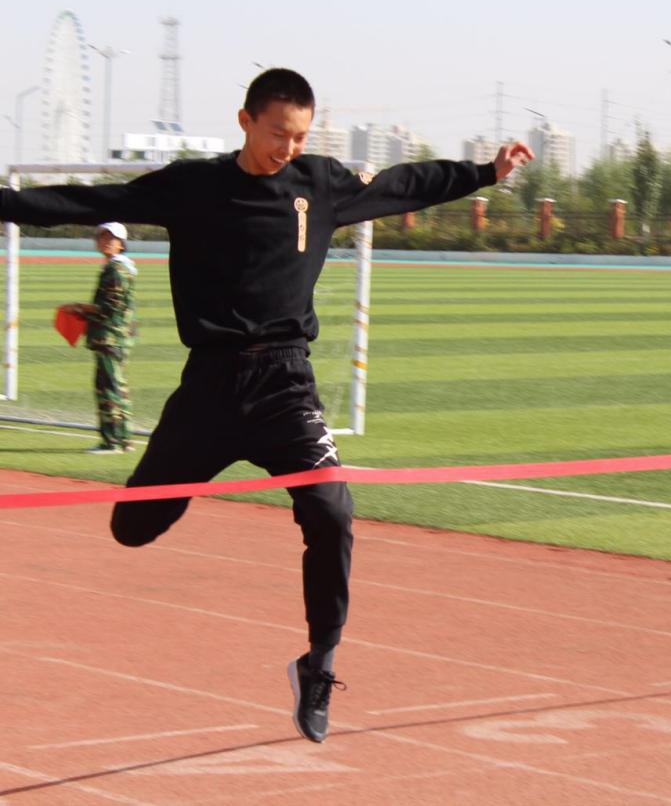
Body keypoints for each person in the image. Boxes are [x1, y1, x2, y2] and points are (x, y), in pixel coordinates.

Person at [0, 68, 534, 743]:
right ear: (246, 121)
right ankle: (192, 476)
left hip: (285, 386)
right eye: (279, 133)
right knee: (131, 530)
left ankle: (319, 664)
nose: (288, 147)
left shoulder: (320, 183)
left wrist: (484, 172)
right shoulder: (192, 185)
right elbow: (88, 200)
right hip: (209, 390)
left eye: (300, 136)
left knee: (333, 512)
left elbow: (404, 185)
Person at [69, 221, 137, 453]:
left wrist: (80, 307)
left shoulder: (116, 270)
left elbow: (109, 308)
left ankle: (112, 442)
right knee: (117, 387)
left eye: (111, 238)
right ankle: (124, 440)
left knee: (108, 388)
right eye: (102, 237)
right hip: (115, 337)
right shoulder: (120, 267)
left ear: (121, 244)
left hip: (110, 337)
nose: (105, 241)